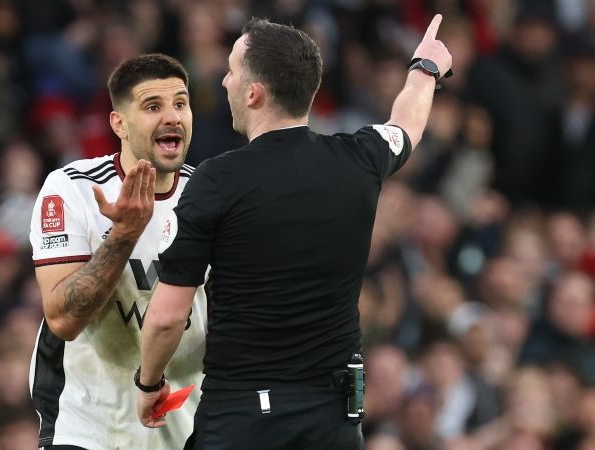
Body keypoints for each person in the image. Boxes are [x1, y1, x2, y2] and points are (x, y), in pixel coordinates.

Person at [137, 16, 452, 449]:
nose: (224, 80)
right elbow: (406, 127)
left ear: (254, 92)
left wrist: (149, 383)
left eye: (231, 70)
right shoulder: (358, 160)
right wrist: (425, 69)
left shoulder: (215, 181)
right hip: (333, 422)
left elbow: (168, 315)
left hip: (243, 421)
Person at [28, 54, 207, 450]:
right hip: (86, 426)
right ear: (119, 124)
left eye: (181, 103)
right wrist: (124, 235)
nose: (174, 117)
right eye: (153, 106)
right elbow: (62, 319)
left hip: (185, 425)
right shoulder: (72, 189)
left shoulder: (211, 196)